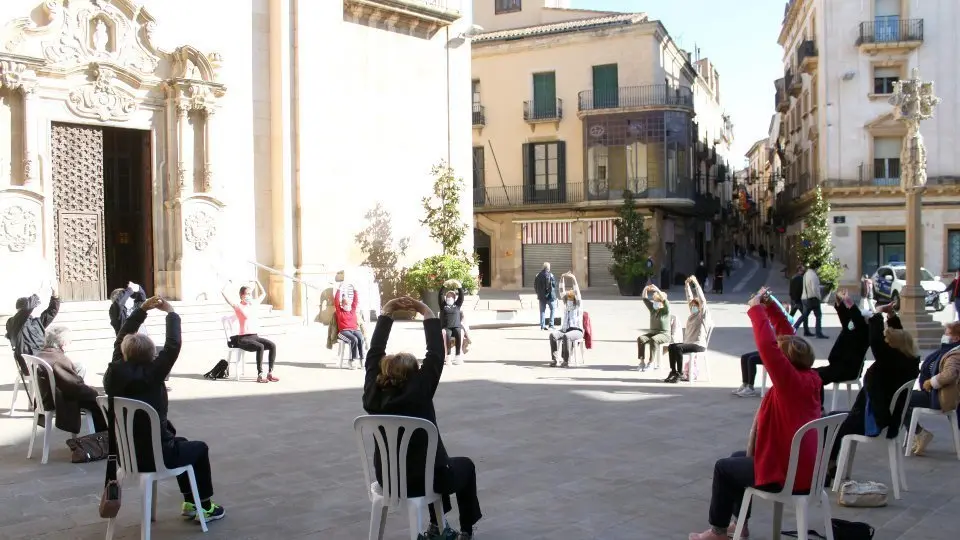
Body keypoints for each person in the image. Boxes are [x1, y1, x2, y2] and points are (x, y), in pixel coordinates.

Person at [689, 288, 822, 540]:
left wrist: (755, 309)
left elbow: (767, 346)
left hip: (787, 475)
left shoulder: (789, 382)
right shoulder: (809, 378)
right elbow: (788, 336)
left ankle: (717, 531)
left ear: (787, 361)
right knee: (737, 458)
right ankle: (740, 525)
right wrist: (771, 305)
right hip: (804, 468)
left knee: (723, 468)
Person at [363, 297, 481, 540]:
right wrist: (426, 311)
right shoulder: (420, 391)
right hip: (425, 480)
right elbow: (436, 354)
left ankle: (439, 525)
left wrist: (387, 313)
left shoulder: (372, 395)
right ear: (415, 375)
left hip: (388, 478)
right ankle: (466, 530)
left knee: (432, 460)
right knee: (463, 466)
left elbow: (374, 354)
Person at [103, 296, 225, 523]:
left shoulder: (114, 372)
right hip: (156, 455)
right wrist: (171, 312)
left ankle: (191, 502)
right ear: (152, 357)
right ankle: (204, 506)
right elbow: (173, 345)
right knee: (199, 449)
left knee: (184, 441)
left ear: (124, 352)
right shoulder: (154, 373)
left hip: (126, 456)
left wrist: (141, 310)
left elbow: (120, 339)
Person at [827, 303, 920, 467]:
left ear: (891, 346)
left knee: (829, 422)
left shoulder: (888, 362)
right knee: (832, 415)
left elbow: (876, 341)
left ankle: (830, 465)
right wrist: (891, 316)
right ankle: (834, 465)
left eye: (887, 340)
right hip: (884, 417)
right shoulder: (910, 360)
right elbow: (899, 336)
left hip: (874, 419)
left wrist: (877, 314)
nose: (885, 341)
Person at [35, 326, 108, 434]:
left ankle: (103, 437)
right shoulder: (59, 360)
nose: (70, 344)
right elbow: (75, 387)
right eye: (70, 341)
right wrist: (96, 393)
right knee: (99, 402)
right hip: (58, 401)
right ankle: (103, 439)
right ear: (63, 343)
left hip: (45, 397)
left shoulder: (41, 354)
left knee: (94, 397)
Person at [904, 322, 960, 455]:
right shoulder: (945, 351)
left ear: (956, 338)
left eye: (947, 333)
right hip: (932, 393)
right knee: (902, 399)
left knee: (900, 399)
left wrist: (931, 382)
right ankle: (918, 434)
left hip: (938, 396)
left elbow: (949, 374)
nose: (944, 336)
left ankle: (920, 433)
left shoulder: (955, 354)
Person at [732, 293, 794, 398]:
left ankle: (750, 388)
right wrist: (766, 297)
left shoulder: (786, 321)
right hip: (773, 349)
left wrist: (764, 301)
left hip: (779, 354)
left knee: (751, 359)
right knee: (745, 357)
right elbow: (772, 310)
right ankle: (745, 384)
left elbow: (777, 312)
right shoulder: (776, 319)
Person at [816, 289, 870, 406]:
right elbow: (846, 318)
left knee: (815, 378)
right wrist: (840, 302)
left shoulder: (864, 333)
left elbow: (857, 318)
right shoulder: (852, 330)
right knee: (810, 374)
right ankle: (816, 406)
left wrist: (849, 302)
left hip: (848, 370)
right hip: (839, 366)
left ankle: (819, 408)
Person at [5, 288, 61, 400]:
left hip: (43, 361)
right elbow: (26, 310)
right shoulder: (13, 322)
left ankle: (56, 401)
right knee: (56, 372)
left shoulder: (37, 322)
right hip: (30, 364)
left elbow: (51, 312)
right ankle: (47, 402)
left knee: (63, 368)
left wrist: (55, 297)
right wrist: (38, 293)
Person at [222, 282, 278, 383]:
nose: (249, 296)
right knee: (260, 346)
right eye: (247, 294)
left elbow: (264, 294)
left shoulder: (253, 304)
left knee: (272, 345)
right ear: (242, 295)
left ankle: (270, 373)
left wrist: (257, 282)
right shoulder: (238, 306)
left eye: (250, 294)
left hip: (254, 336)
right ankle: (260, 375)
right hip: (243, 338)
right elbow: (225, 295)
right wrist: (226, 284)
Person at [665, 276, 713, 383]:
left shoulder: (702, 315)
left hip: (698, 344)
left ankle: (680, 373)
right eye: (691, 306)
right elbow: (689, 299)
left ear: (699, 307)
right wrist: (686, 286)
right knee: (672, 346)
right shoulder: (692, 314)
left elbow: (703, 301)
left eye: (695, 306)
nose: (692, 308)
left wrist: (696, 284)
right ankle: (673, 371)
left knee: (678, 348)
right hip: (689, 342)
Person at [549, 273, 583, 368]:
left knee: (566, 336)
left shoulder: (578, 305)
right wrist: (562, 278)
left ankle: (566, 360)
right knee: (553, 335)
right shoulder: (566, 305)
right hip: (565, 329)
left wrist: (573, 278)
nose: (568, 300)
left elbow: (577, 292)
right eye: (567, 298)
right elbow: (561, 290)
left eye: (570, 298)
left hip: (576, 330)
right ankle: (555, 359)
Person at [637, 284, 670, 371]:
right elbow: (645, 299)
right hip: (653, 333)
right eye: (654, 300)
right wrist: (645, 289)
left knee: (654, 340)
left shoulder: (665, 310)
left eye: (657, 301)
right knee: (641, 339)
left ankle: (651, 363)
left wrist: (657, 289)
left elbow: (665, 299)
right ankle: (642, 362)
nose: (654, 302)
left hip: (664, 334)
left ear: (661, 302)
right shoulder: (653, 309)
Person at [793, 261, 828, 339]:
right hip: (813, 299)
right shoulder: (813, 275)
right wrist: (819, 297)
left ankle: (794, 327)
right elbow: (815, 288)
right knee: (818, 315)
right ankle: (818, 333)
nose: (819, 270)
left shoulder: (806, 274)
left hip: (805, 298)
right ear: (816, 267)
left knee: (804, 315)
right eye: (818, 268)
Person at [334, 285, 364, 369]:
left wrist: (355, 289)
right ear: (342, 305)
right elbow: (336, 301)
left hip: (354, 330)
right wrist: (339, 289)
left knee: (360, 338)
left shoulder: (352, 310)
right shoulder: (339, 311)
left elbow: (355, 301)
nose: (348, 305)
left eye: (349, 303)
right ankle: (352, 361)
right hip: (343, 332)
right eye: (346, 304)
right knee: (353, 339)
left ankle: (362, 359)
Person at [439, 280, 466, 364]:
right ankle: (448, 356)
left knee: (459, 332)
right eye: (448, 296)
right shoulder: (443, 305)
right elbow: (440, 295)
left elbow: (461, 296)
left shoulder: (457, 305)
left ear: (454, 298)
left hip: (456, 326)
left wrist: (459, 286)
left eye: (451, 296)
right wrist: (444, 286)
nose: (449, 298)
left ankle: (458, 356)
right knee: (446, 335)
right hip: (447, 327)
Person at [534, 262, 557, 330]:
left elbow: (535, 286)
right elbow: (554, 285)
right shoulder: (551, 275)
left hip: (541, 297)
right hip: (550, 296)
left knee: (542, 311)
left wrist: (538, 293)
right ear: (548, 268)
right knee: (552, 309)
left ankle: (542, 326)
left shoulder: (537, 275)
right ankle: (551, 325)